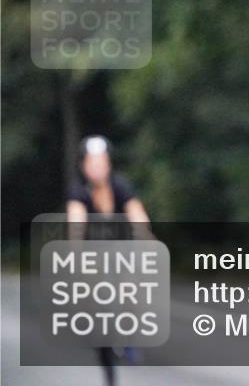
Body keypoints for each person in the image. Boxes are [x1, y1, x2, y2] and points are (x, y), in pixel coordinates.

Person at [66, 134, 152, 386]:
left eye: (102, 162)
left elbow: (137, 213)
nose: (97, 167)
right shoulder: (78, 190)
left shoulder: (120, 185)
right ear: (83, 165)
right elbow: (76, 222)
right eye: (92, 162)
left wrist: (146, 236)